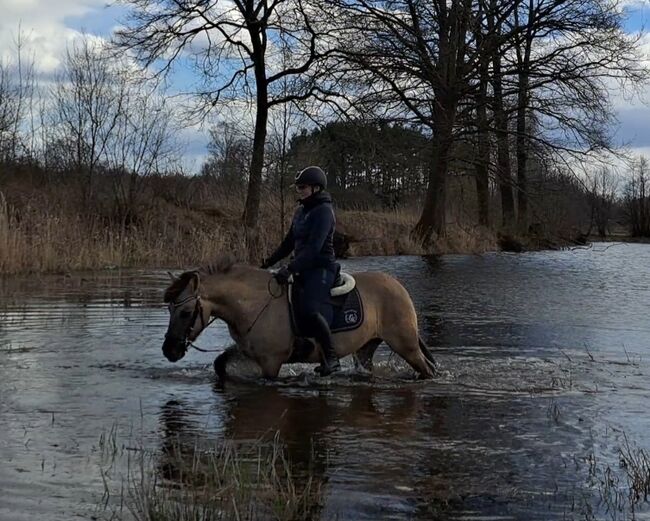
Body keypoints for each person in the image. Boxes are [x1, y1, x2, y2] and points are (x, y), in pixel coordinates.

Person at [261, 166, 341, 376]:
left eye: (303, 187)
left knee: (309, 309)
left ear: (316, 188)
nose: (299, 191)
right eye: (298, 187)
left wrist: (289, 268)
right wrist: (268, 262)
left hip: (321, 268)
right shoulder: (301, 211)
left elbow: (314, 249)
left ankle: (331, 358)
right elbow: (289, 243)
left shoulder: (324, 211)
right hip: (302, 268)